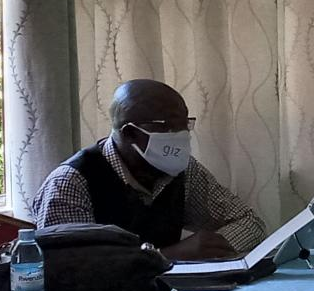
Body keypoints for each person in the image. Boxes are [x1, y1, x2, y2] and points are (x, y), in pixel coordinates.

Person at [33, 79, 266, 260]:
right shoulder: (72, 183)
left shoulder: (182, 170)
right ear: (130, 134)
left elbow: (248, 222)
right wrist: (168, 256)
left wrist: (212, 246)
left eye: (184, 124)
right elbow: (75, 270)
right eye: (167, 127)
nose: (181, 135)